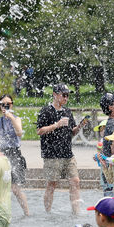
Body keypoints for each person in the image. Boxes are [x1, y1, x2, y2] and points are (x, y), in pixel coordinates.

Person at [36, 84, 88, 214]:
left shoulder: (67, 111)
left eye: (67, 95)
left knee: (75, 181)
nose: (66, 98)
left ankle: (76, 212)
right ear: (55, 94)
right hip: (52, 154)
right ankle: (47, 213)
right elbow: (39, 131)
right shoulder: (46, 111)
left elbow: (71, 132)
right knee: (52, 184)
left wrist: (79, 127)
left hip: (67, 153)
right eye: (63, 95)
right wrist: (56, 125)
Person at [0, 94, 29, 216]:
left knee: (15, 188)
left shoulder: (17, 118)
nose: (6, 106)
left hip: (14, 153)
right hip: (2, 154)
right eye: (3, 104)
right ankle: (1, 213)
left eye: (8, 104)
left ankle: (27, 213)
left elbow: (19, 133)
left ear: (12, 105)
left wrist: (11, 117)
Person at [92, 118, 114, 197]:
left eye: (105, 129)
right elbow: (99, 153)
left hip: (111, 167)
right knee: (106, 187)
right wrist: (96, 157)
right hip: (104, 168)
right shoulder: (101, 141)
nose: (103, 131)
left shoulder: (113, 141)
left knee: (112, 187)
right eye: (101, 130)